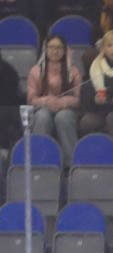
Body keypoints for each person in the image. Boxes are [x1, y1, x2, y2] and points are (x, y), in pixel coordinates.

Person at [27, 35, 82, 164]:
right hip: (42, 108)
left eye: (59, 48)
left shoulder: (73, 71)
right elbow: (31, 99)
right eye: (51, 47)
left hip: (67, 109)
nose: (55, 51)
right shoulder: (36, 71)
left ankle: (71, 163)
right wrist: (46, 101)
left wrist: (63, 102)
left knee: (63, 117)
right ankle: (39, 161)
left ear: (65, 50)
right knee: (42, 117)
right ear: (45, 49)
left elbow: (79, 99)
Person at [80, 30, 113, 147]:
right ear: (103, 48)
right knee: (86, 122)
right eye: (109, 45)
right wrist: (95, 99)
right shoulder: (95, 66)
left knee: (112, 118)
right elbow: (86, 94)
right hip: (101, 109)